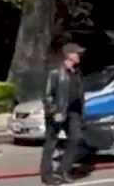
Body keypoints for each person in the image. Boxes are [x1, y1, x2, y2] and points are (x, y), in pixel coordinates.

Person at [41, 43, 87, 185]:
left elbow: (79, 92)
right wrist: (54, 111)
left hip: (74, 112)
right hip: (58, 112)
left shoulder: (77, 71)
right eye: (77, 53)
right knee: (51, 144)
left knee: (76, 138)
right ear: (69, 55)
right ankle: (47, 176)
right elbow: (48, 96)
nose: (79, 56)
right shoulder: (55, 72)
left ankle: (64, 170)